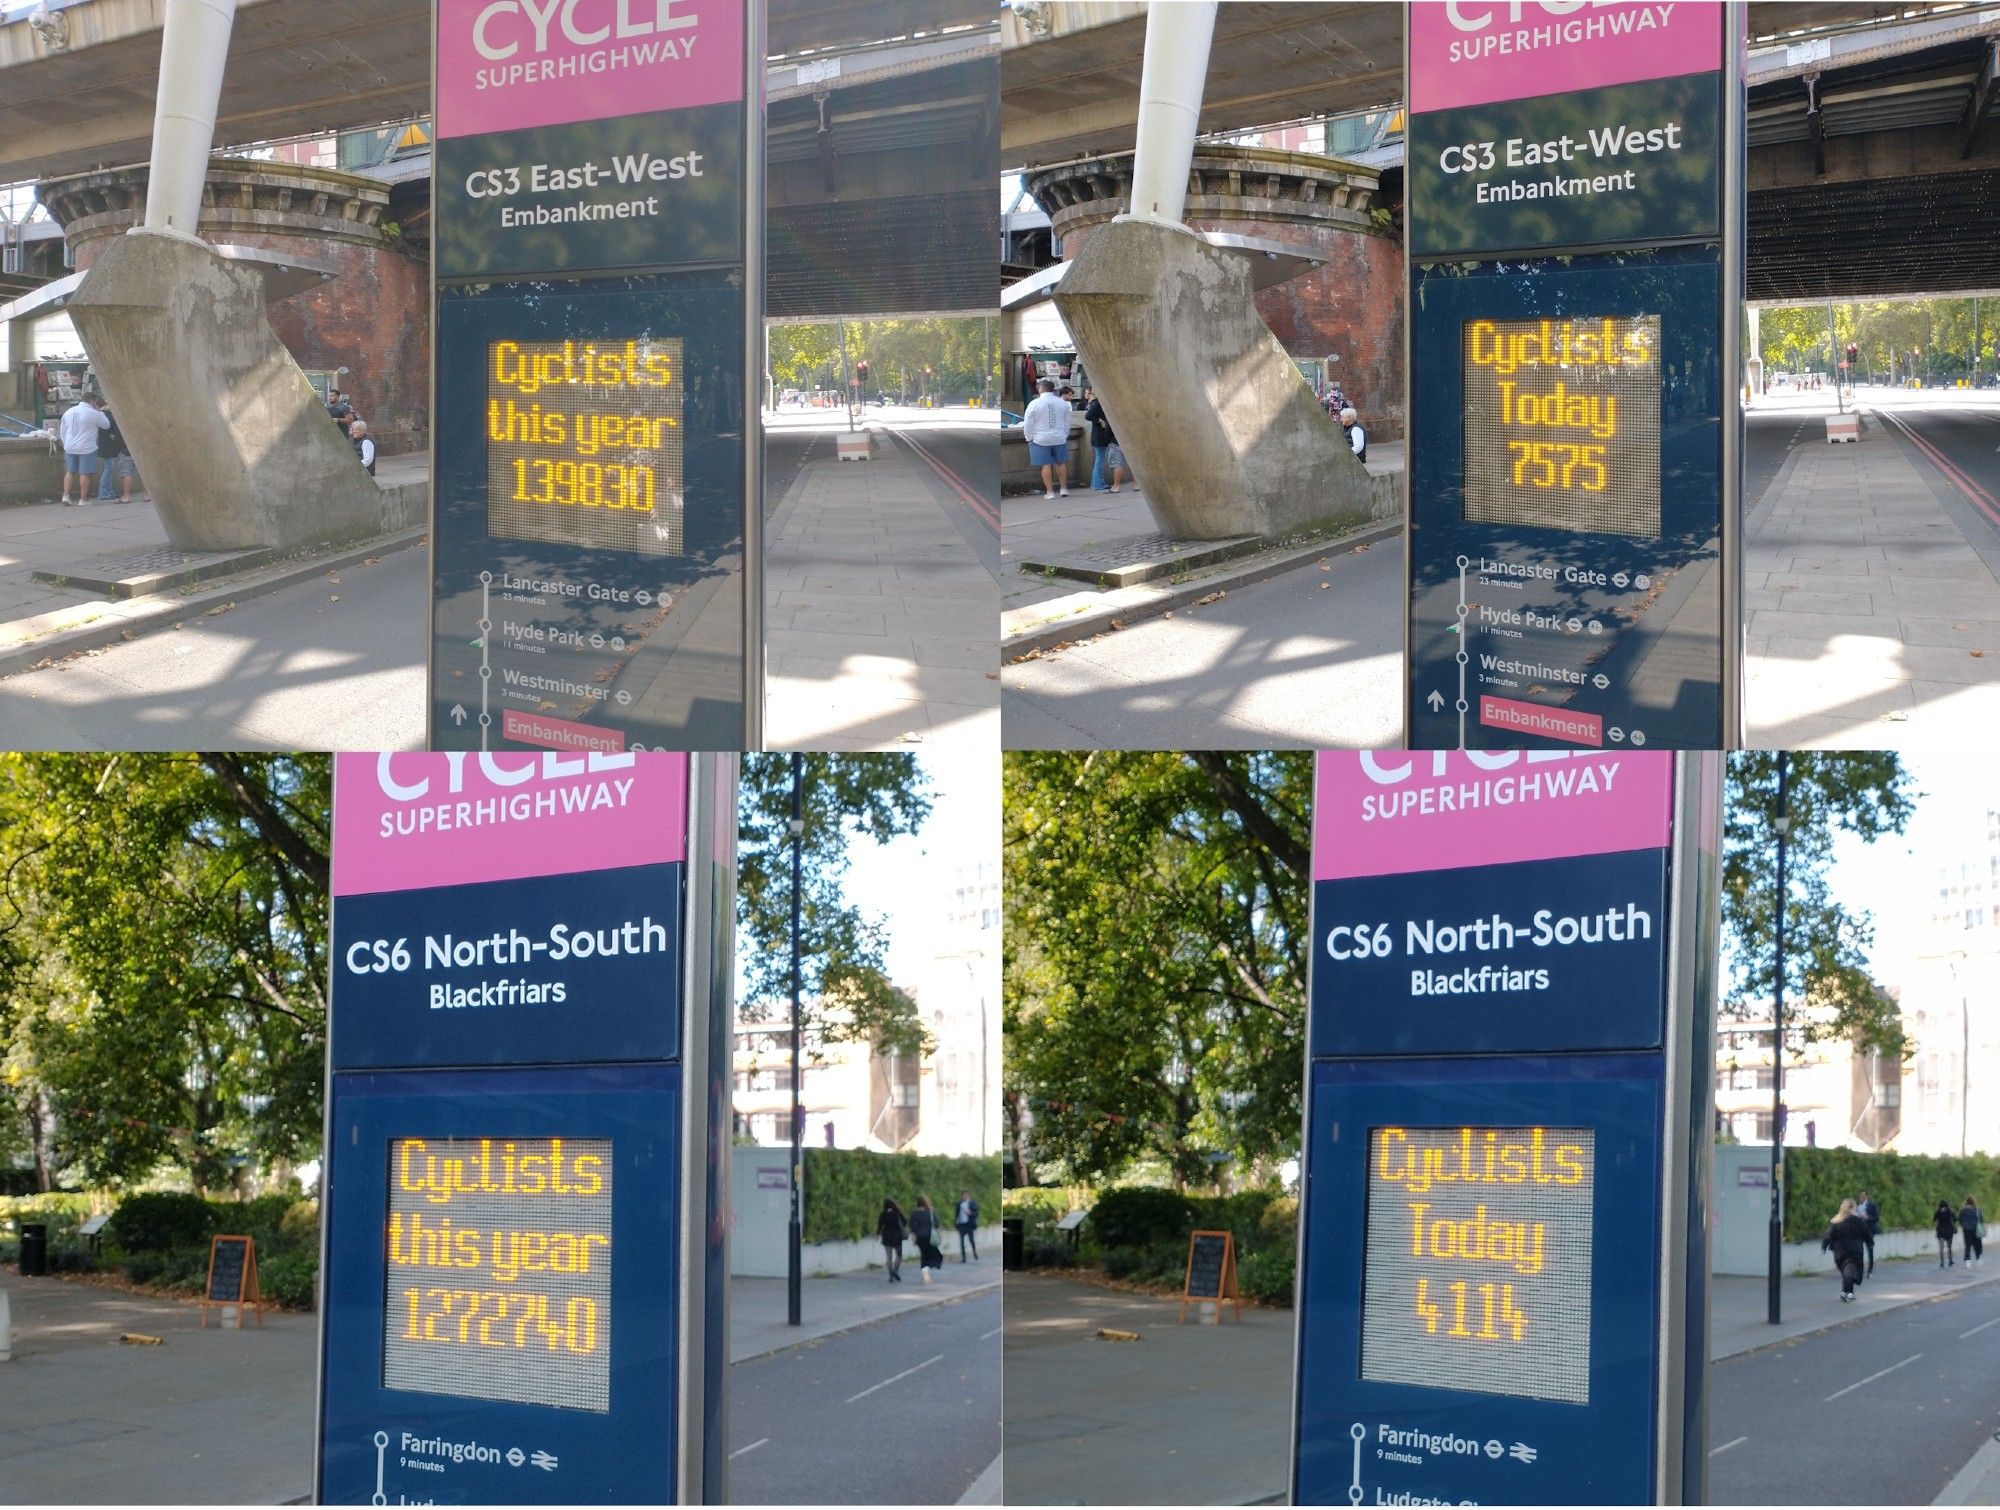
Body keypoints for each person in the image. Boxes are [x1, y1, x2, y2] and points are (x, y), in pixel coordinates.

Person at [1022, 378, 1072, 499]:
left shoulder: (1034, 404)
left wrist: (1028, 437)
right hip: (1059, 437)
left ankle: (1050, 492)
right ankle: (1063, 488)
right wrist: (1064, 434)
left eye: (1038, 388)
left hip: (1040, 439)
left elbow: (1028, 423)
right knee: (1060, 463)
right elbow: (1067, 422)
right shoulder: (1062, 403)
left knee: (1046, 465)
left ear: (1041, 389)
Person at [58, 394, 110, 506]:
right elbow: (106, 425)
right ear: (93, 401)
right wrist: (100, 411)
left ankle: (66, 496)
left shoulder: (69, 411)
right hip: (87, 447)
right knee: (85, 473)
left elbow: (62, 429)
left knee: (70, 471)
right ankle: (83, 499)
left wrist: (65, 443)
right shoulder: (94, 413)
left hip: (70, 446)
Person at [1821, 1197, 1871, 1302]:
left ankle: (1847, 1292)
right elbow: (1866, 1233)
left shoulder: (1836, 1221)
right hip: (1855, 1250)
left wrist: (1824, 1247)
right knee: (1851, 1272)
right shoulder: (1858, 1221)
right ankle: (1847, 1292)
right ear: (1853, 1208)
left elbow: (1828, 1235)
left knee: (1846, 1271)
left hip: (1839, 1251)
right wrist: (1870, 1243)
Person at [1083, 390, 1133, 494]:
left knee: (1100, 459)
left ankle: (1099, 483)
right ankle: (1097, 484)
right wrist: (1100, 420)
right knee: (1100, 459)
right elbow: (1088, 416)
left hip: (1102, 435)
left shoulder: (1101, 402)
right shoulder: (1099, 403)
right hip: (1100, 435)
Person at [94, 406, 137, 503]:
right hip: (137, 449)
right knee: (143, 474)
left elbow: (117, 435)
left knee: (125, 472)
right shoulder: (136, 419)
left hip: (124, 450)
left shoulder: (119, 420)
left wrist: (119, 448)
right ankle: (146, 495)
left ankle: (124, 495)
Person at [910, 1195, 943, 1285]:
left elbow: (913, 1228)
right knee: (935, 1255)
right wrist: (940, 1237)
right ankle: (927, 1272)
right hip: (930, 1237)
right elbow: (937, 1226)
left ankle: (925, 1272)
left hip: (920, 1237)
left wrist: (914, 1239)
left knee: (924, 1255)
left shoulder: (914, 1213)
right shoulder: (931, 1212)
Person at [877, 1198, 907, 1284]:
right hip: (897, 1236)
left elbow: (879, 1225)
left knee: (889, 1257)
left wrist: (877, 1234)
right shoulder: (897, 1213)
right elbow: (905, 1222)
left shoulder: (883, 1214)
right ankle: (895, 1270)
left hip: (886, 1236)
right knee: (899, 1255)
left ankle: (890, 1275)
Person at [1857, 1189, 1881, 1276]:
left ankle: (1870, 1270)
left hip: (1869, 1231)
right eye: (1860, 1196)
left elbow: (1876, 1218)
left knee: (1869, 1250)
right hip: (1859, 1231)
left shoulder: (1871, 1206)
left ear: (1867, 1197)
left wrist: (1867, 1218)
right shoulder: (1856, 1206)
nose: (1861, 1197)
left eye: (1863, 1196)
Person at [955, 1189, 980, 1262]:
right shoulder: (959, 1204)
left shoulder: (972, 1203)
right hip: (961, 1225)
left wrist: (970, 1213)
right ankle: (963, 1258)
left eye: (966, 1195)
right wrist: (956, 1222)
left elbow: (976, 1213)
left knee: (971, 1240)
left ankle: (974, 1252)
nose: (964, 1196)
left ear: (969, 1195)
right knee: (961, 1242)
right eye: (963, 1195)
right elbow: (956, 1214)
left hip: (969, 1225)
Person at [1962, 1195, 1984, 1265]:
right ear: (1974, 1202)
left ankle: (1967, 1260)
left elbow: (1960, 1219)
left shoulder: (1963, 1210)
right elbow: (1981, 1219)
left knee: (1967, 1245)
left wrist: (1964, 1225)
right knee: (1977, 1244)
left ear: (1967, 1202)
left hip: (1966, 1230)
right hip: (1975, 1229)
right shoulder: (1977, 1210)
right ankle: (1978, 1259)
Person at [1936, 1199, 1959, 1267]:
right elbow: (1955, 1219)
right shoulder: (1950, 1211)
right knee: (1949, 1247)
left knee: (1941, 1248)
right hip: (1949, 1231)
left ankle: (1942, 1262)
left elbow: (1934, 1219)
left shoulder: (1938, 1211)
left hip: (1940, 1231)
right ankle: (1950, 1261)